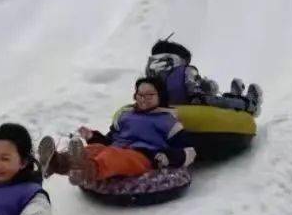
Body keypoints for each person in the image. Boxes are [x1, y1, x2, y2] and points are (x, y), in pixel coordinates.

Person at [38, 78, 195, 184]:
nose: (143, 99)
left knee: (111, 156)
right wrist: (93, 136)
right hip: (117, 148)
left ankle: (87, 171)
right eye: (140, 95)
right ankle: (58, 162)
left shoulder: (167, 121)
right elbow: (110, 141)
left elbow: (189, 151)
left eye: (149, 95)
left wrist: (168, 157)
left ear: (161, 96)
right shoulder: (126, 115)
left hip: (143, 157)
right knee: (94, 149)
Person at [145, 37, 262, 115]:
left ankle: (234, 97)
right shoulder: (185, 71)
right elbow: (199, 89)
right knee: (215, 100)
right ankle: (248, 104)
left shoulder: (150, 73)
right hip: (190, 108)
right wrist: (210, 85)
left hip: (161, 108)